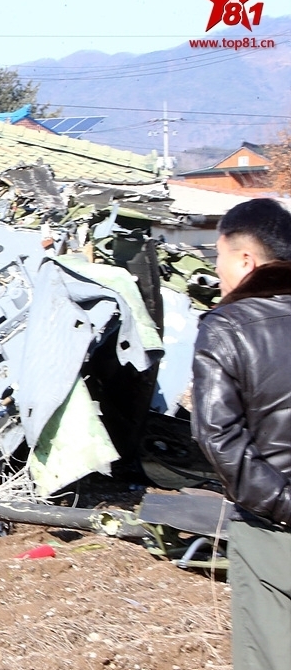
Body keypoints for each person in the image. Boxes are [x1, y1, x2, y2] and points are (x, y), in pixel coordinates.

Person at [192, 197, 291, 670]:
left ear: (246, 260)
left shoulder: (226, 327)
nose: (217, 272)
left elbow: (220, 440)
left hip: (273, 531)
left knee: (269, 651)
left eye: (219, 257)